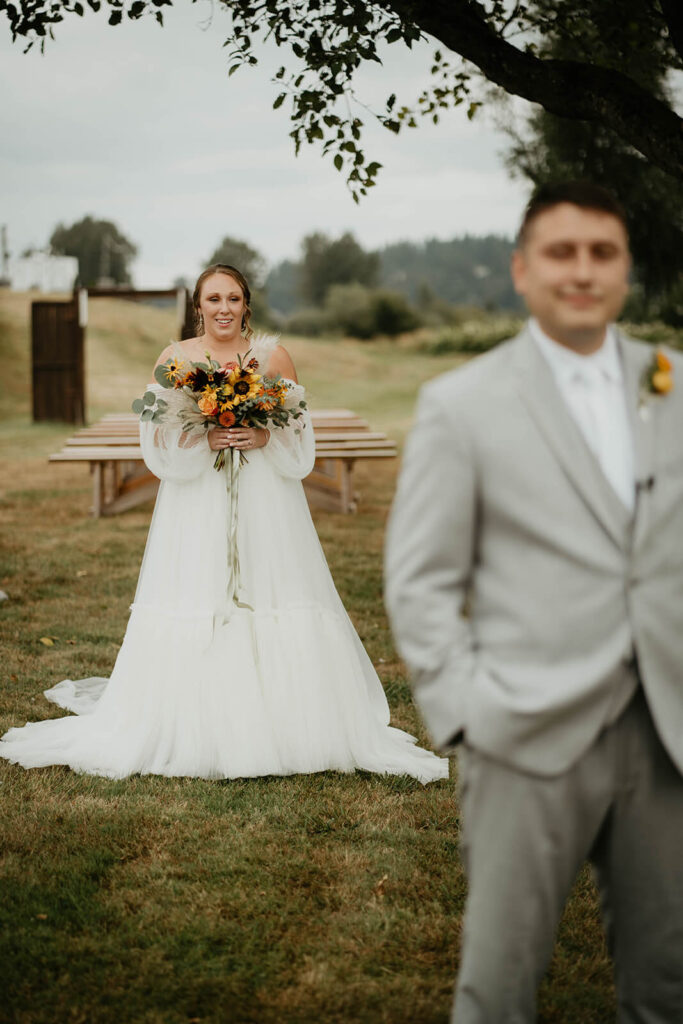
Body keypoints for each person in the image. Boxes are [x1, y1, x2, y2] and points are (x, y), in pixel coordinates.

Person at [385, 183, 683, 1021]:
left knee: (667, 987)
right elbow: (421, 580)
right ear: (521, 270)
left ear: (626, 269)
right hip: (521, 732)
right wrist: (464, 711)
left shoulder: (673, 385)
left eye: (602, 253)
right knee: (499, 988)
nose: (581, 271)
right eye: (561, 252)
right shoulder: (461, 403)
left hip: (668, 735)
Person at [1, 264, 447, 784]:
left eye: (233, 298)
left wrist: (263, 438)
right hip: (197, 500)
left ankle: (288, 720)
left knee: (267, 586)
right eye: (213, 299)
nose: (223, 308)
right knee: (200, 590)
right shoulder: (175, 360)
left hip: (264, 498)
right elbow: (158, 439)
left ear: (246, 305)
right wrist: (202, 439)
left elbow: (299, 432)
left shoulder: (273, 357)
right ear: (198, 306)